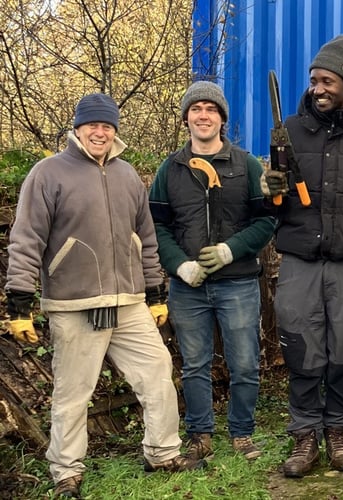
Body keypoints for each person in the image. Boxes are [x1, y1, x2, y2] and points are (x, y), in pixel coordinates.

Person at [4, 93, 206, 498]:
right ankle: (66, 472)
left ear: (115, 131)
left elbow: (146, 239)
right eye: (92, 125)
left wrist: (154, 293)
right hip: (74, 303)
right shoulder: (48, 173)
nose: (100, 132)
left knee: (157, 373)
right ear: (77, 128)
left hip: (128, 302)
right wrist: (20, 304)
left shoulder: (128, 175)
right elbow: (26, 239)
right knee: (73, 393)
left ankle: (162, 451)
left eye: (107, 125)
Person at [260, 34, 343, 478]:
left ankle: (337, 431)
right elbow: (274, 205)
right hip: (299, 259)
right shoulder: (291, 130)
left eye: (328, 81)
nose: (318, 88)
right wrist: (272, 192)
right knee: (300, 345)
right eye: (314, 80)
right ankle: (303, 435)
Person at [148, 81, 276, 463]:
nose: (203, 115)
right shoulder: (170, 169)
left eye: (211, 109)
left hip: (237, 283)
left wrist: (229, 250)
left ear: (222, 118)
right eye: (196, 108)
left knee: (244, 363)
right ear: (187, 117)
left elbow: (267, 220)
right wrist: (179, 265)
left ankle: (242, 434)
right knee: (194, 364)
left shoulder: (246, 165)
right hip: (188, 288)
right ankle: (200, 435)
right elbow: (156, 226)